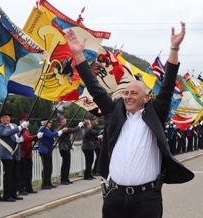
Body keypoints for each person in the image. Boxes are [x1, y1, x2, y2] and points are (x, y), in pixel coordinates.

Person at [66, 21, 194, 218]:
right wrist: (78, 55)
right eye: (125, 92)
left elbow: (167, 84)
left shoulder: (155, 113)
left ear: (145, 97)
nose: (128, 96)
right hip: (115, 197)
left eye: (134, 93)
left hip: (147, 199)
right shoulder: (113, 112)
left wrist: (174, 48)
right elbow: (94, 87)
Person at [0, 110, 29, 202]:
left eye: (6, 117)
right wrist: (20, 127)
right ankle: (7, 195)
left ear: (9, 118)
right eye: (3, 117)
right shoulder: (1, 127)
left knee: (16, 175)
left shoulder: (14, 125)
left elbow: (19, 135)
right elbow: (7, 133)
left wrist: (21, 139)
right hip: (7, 154)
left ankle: (14, 193)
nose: (5, 119)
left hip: (16, 153)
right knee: (8, 175)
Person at [38, 117, 67, 189]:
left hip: (48, 151)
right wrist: (61, 131)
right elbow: (50, 135)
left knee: (50, 167)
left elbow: (51, 135)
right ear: (45, 123)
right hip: (44, 151)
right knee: (46, 168)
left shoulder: (47, 129)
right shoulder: (43, 129)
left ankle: (48, 182)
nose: (51, 124)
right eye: (49, 122)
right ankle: (45, 183)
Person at [17, 114, 42, 195]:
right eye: (24, 120)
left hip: (28, 153)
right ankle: (21, 188)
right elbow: (26, 139)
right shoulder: (21, 130)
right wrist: (35, 136)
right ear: (21, 122)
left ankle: (28, 187)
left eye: (27, 120)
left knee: (28, 172)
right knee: (23, 172)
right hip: (23, 153)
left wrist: (36, 137)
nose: (27, 122)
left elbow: (29, 138)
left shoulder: (26, 130)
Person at [56, 115, 83, 185]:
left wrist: (71, 145)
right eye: (63, 118)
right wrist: (79, 126)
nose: (65, 119)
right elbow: (73, 130)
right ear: (61, 120)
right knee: (65, 163)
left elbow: (66, 139)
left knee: (67, 163)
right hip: (64, 147)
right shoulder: (62, 127)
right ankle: (63, 179)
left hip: (66, 146)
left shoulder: (62, 127)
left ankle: (66, 178)